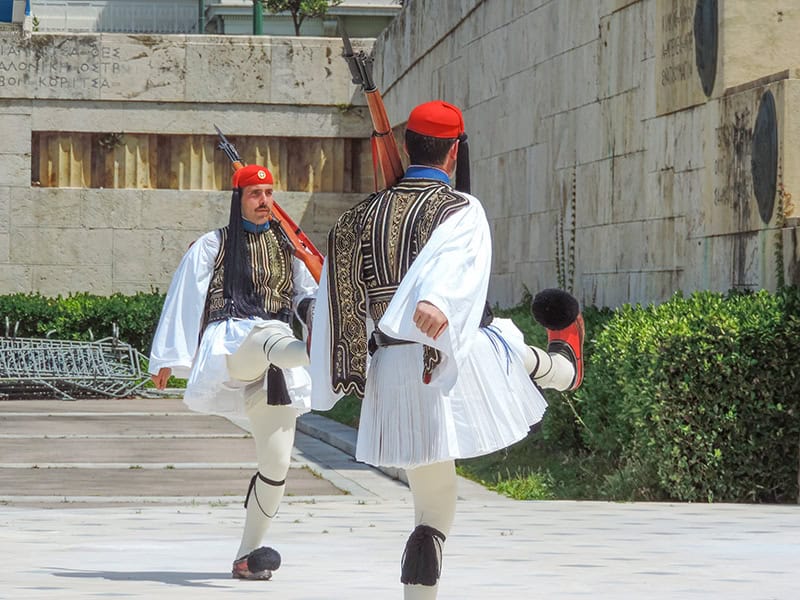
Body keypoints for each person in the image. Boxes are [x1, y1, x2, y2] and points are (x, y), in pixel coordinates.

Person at [309, 100, 584, 599]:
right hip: (442, 357)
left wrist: (334, 380)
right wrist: (434, 298)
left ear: (407, 145)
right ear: (454, 151)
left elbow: (335, 303)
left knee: (430, 510)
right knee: (500, 339)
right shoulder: (461, 208)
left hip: (389, 371)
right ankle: (563, 366)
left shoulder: (352, 222)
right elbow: (454, 267)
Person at [149, 164, 318, 581]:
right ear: (238, 199)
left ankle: (248, 555)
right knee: (267, 338)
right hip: (234, 346)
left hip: (277, 362)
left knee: (277, 465)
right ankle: (317, 353)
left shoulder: (286, 247)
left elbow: (305, 298)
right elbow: (186, 295)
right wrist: (168, 356)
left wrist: (316, 312)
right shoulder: (215, 244)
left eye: (269, 193)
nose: (264, 201)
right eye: (255, 193)